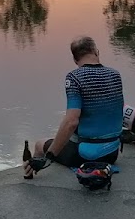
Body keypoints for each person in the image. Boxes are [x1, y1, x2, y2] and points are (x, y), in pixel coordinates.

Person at [24, 36, 124, 176]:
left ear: (75, 60)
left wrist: (50, 156)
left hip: (86, 156)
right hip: (112, 153)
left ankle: (28, 177)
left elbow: (71, 122)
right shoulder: (115, 75)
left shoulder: (74, 78)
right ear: (96, 52)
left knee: (40, 144)